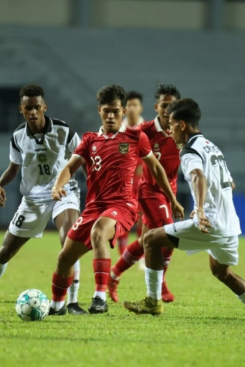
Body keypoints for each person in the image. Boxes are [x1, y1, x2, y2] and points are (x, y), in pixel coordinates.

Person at [123, 98, 245, 325]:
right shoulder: (212, 147)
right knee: (221, 272)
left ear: (182, 125)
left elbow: (197, 176)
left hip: (210, 222)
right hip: (231, 225)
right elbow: (229, 184)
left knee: (151, 239)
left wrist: (201, 209)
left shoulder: (189, 151)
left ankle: (153, 301)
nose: (170, 130)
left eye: (172, 125)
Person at [0, 84, 88, 314]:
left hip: (63, 192)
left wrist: (92, 190)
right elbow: (13, 168)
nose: (33, 112)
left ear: (44, 107)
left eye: (37, 107)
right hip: (33, 198)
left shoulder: (64, 131)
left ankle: (72, 303)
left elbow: (82, 160)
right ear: (21, 109)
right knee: (5, 251)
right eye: (28, 108)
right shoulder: (18, 137)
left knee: (69, 242)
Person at [49, 84, 184, 315]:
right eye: (106, 111)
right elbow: (70, 166)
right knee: (65, 257)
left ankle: (99, 297)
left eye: (115, 111)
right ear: (99, 110)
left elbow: (157, 169)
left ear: (123, 111)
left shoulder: (135, 137)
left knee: (99, 232)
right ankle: (56, 306)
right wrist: (57, 185)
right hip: (94, 207)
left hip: (123, 206)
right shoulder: (90, 140)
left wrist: (172, 199)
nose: (110, 116)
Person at [109, 84, 181, 303]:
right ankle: (160, 284)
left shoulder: (182, 130)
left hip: (171, 190)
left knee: (146, 241)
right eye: (164, 106)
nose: (168, 111)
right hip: (150, 191)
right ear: (156, 107)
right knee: (170, 236)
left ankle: (113, 275)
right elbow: (119, 142)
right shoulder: (145, 132)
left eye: (172, 106)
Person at [116, 90, 145, 255]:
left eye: (135, 105)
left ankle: (140, 256)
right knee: (122, 216)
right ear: (124, 108)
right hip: (123, 180)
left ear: (141, 108)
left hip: (142, 180)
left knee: (143, 218)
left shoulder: (146, 129)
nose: (132, 108)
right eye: (129, 105)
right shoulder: (119, 129)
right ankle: (122, 254)